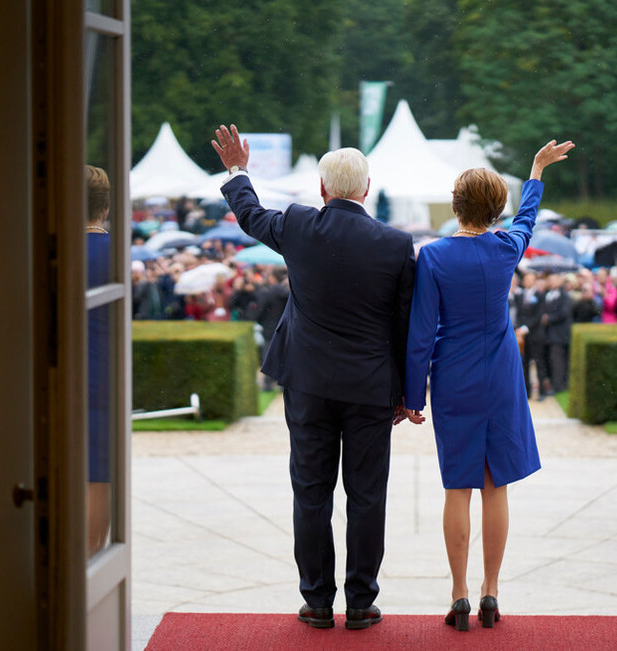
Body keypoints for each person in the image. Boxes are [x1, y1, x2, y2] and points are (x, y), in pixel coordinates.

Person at [211, 124, 415, 631]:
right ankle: (361, 602)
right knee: (367, 496)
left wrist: (238, 170)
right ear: (366, 190)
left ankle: (317, 601)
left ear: (322, 190)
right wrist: (408, 392)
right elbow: (405, 326)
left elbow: (251, 215)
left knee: (311, 492)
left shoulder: (301, 225)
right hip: (370, 388)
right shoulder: (395, 244)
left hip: (308, 384)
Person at [403, 138, 575, 631]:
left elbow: (420, 333)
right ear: (496, 208)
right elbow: (527, 222)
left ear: (456, 206)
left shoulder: (432, 258)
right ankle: (491, 592)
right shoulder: (506, 249)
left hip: (453, 375)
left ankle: (458, 594)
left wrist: (413, 396)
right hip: (500, 373)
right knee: (495, 484)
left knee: (457, 485)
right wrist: (537, 172)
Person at [85, 164, 112, 557]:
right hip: (104, 379)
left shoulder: (45, 252)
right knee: (98, 477)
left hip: (51, 377)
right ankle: (91, 562)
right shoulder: (116, 255)